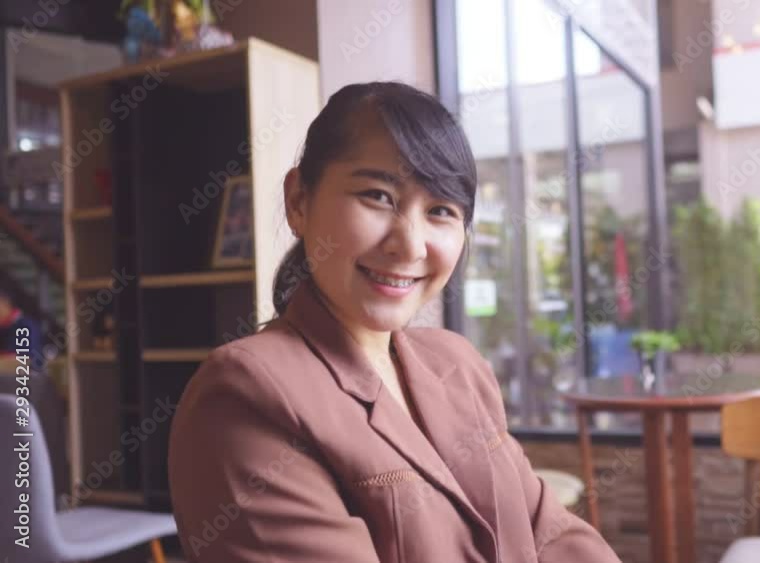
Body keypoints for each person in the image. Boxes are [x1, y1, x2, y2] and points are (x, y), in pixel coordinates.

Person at [167, 82, 621, 563]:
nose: (410, 245)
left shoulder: (458, 363)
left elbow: (548, 531)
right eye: (378, 196)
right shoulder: (246, 393)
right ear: (299, 200)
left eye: (441, 211)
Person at [0, 287, 43, 370]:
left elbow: (26, 360)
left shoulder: (25, 326)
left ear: (5, 303)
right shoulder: (3, 328)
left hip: (25, 375)